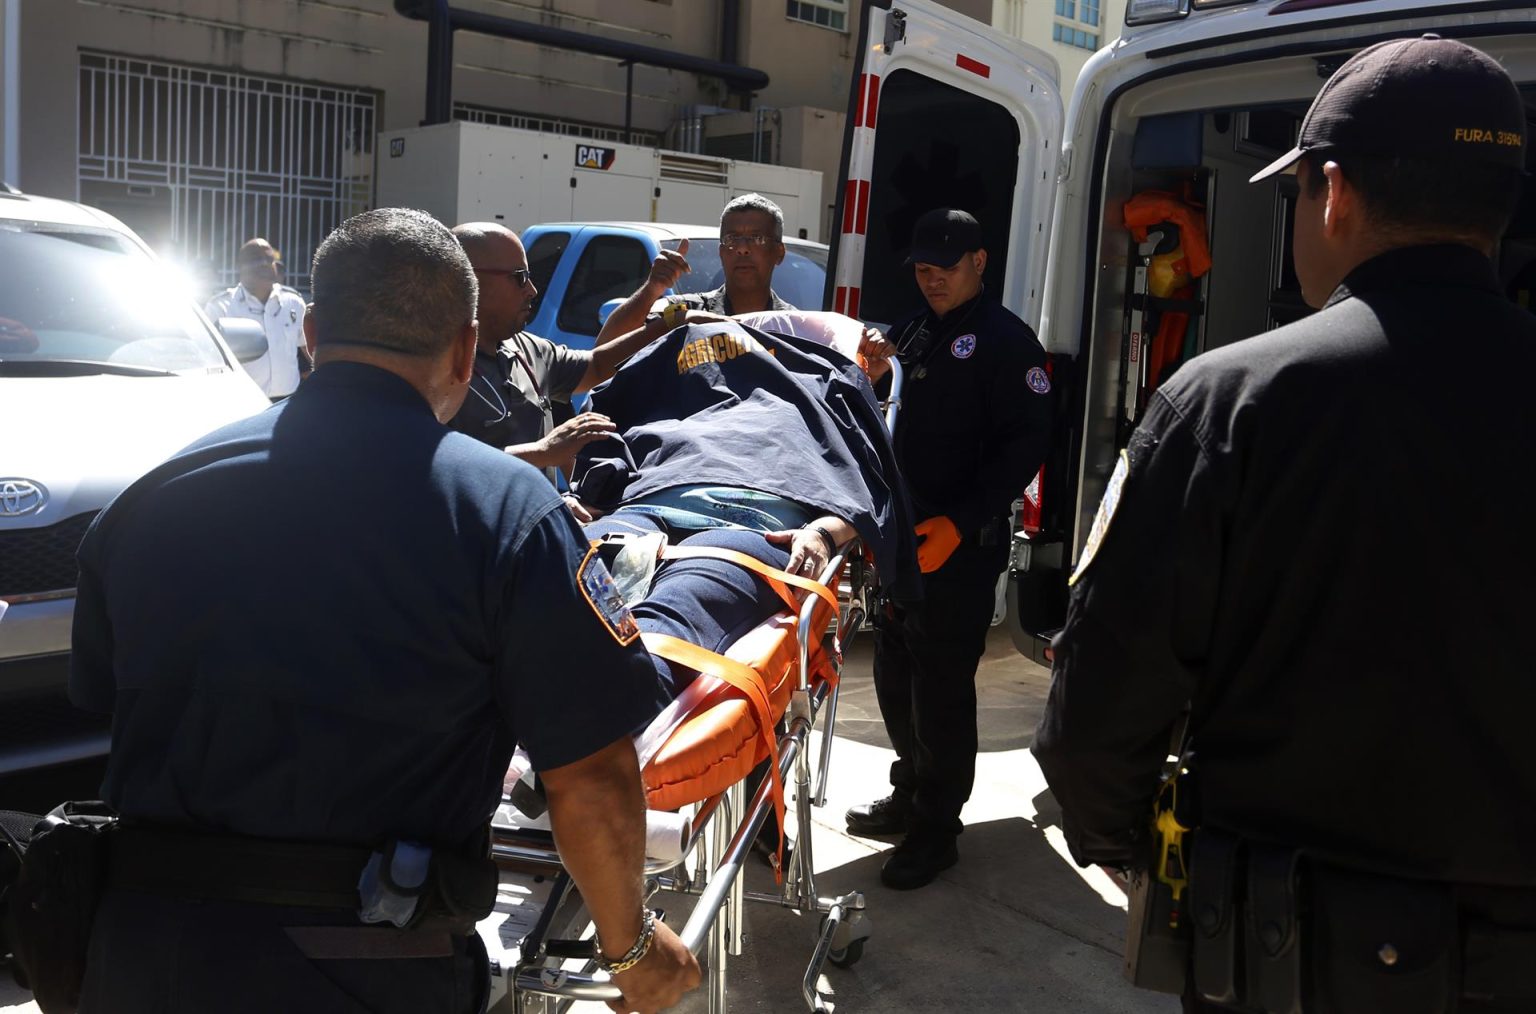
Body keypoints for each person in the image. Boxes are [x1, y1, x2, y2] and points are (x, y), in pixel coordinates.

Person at [70, 208, 700, 1014]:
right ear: (468, 349)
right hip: (364, 959)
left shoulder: (150, 497)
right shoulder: (508, 513)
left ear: (309, 331)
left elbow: (107, 716)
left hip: (136, 956)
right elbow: (589, 776)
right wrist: (633, 947)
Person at [1033, 37, 1536, 1013]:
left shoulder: (1228, 403)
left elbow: (1101, 707)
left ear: (1334, 193)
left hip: (1287, 957)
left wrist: (1137, 857)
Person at [845, 208, 1053, 890]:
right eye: (924, 269)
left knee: (941, 687)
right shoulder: (914, 330)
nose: (933, 280)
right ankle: (910, 792)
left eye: (947, 267)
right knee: (895, 672)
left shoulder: (1006, 342)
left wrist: (962, 523)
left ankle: (938, 827)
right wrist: (873, 370)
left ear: (980, 261)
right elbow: (883, 410)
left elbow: (1027, 444)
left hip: (959, 544)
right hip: (902, 538)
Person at [447, 222, 704, 499]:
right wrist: (543, 452)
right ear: (467, 278)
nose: (532, 290)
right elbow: (444, 464)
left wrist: (667, 318)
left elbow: (597, 366)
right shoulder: (431, 367)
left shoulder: (528, 350)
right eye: (519, 277)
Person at [595, 193, 797, 347]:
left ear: (778, 253)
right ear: (721, 252)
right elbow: (605, 350)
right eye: (731, 239)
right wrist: (651, 289)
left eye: (757, 238)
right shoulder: (684, 312)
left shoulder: (795, 327)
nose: (742, 248)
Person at [203, 237, 310, 399]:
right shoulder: (221, 307)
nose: (264, 264)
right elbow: (208, 360)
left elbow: (307, 349)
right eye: (256, 259)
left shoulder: (293, 303)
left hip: (288, 403)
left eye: (269, 259)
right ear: (240, 266)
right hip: (244, 403)